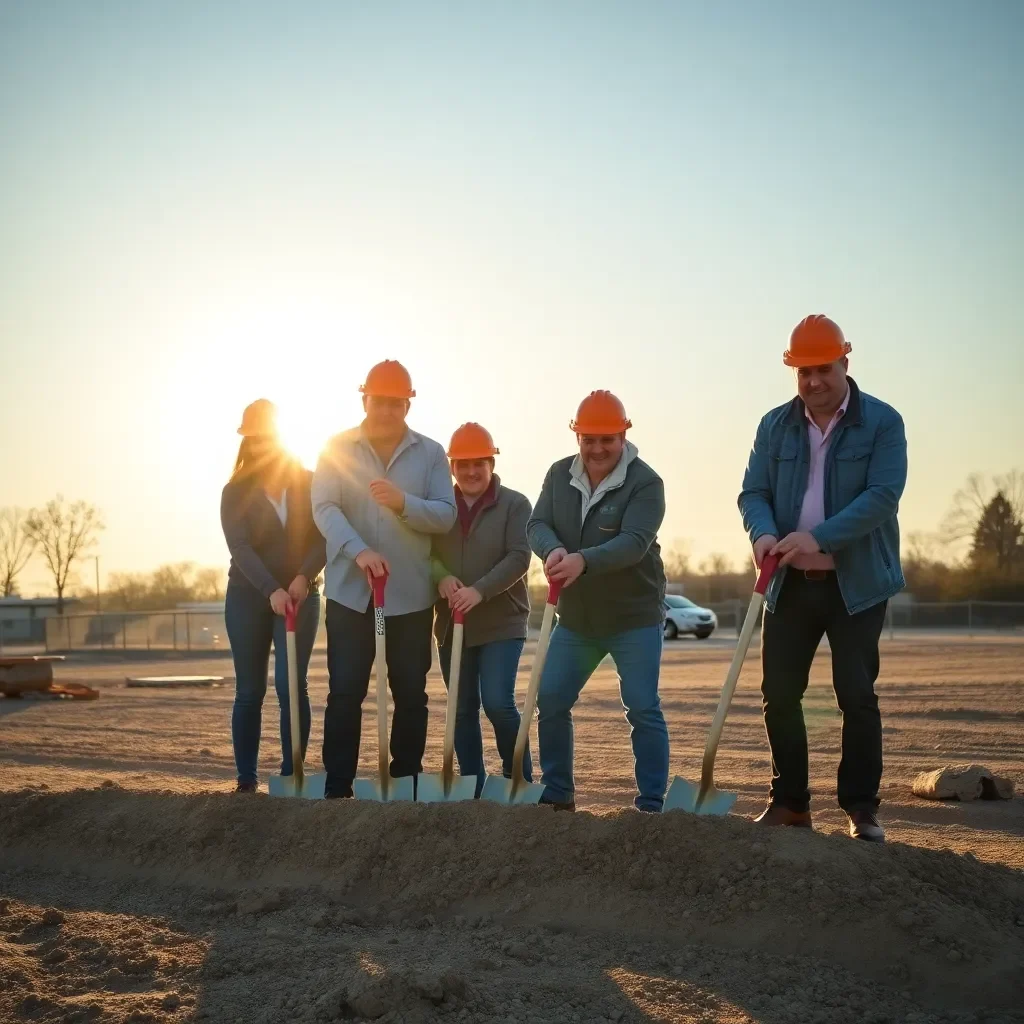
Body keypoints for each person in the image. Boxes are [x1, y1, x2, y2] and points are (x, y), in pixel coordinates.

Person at [738, 314, 907, 842]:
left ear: (845, 364)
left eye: (824, 369)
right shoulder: (774, 425)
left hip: (855, 586)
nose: (814, 381)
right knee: (779, 694)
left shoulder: (882, 422)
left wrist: (820, 537)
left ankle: (861, 808)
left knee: (854, 694)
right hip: (788, 585)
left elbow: (882, 496)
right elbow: (754, 494)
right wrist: (762, 534)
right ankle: (790, 803)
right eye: (804, 371)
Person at [311, 360, 457, 798]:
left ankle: (405, 781)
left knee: (411, 693)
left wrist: (403, 502)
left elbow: (446, 515)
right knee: (346, 692)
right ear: (364, 399)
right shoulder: (336, 448)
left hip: (410, 599)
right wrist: (359, 551)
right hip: (350, 597)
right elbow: (324, 508)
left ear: (408, 404)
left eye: (398, 403)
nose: (388, 411)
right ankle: (338, 785)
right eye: (380, 402)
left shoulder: (431, 453)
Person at [527, 391, 669, 812]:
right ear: (577, 436)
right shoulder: (558, 475)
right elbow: (537, 523)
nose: (597, 448)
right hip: (576, 619)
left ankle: (650, 804)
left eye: (607, 439)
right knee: (550, 700)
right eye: (589, 438)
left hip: (634, 617)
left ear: (624, 435)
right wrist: (551, 549)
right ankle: (557, 794)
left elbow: (634, 543)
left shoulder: (646, 483)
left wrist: (582, 561)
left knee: (643, 707)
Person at [220, 399, 326, 793]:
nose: (263, 446)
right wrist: (271, 590)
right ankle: (246, 779)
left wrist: (302, 578)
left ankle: (291, 773)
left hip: (301, 595)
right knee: (250, 690)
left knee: (291, 685)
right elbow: (241, 548)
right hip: (248, 597)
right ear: (248, 443)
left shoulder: (310, 482)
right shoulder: (235, 492)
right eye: (255, 439)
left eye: (269, 438)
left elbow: (322, 535)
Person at [431, 423, 533, 797]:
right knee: (461, 709)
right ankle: (471, 786)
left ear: (491, 463)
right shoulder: (441, 508)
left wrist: (481, 590)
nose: (471, 472)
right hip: (451, 625)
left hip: (501, 621)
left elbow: (520, 556)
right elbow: (425, 552)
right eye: (462, 464)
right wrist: (441, 576)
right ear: (452, 467)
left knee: (497, 702)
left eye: (479, 463)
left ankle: (517, 777)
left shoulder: (515, 504)